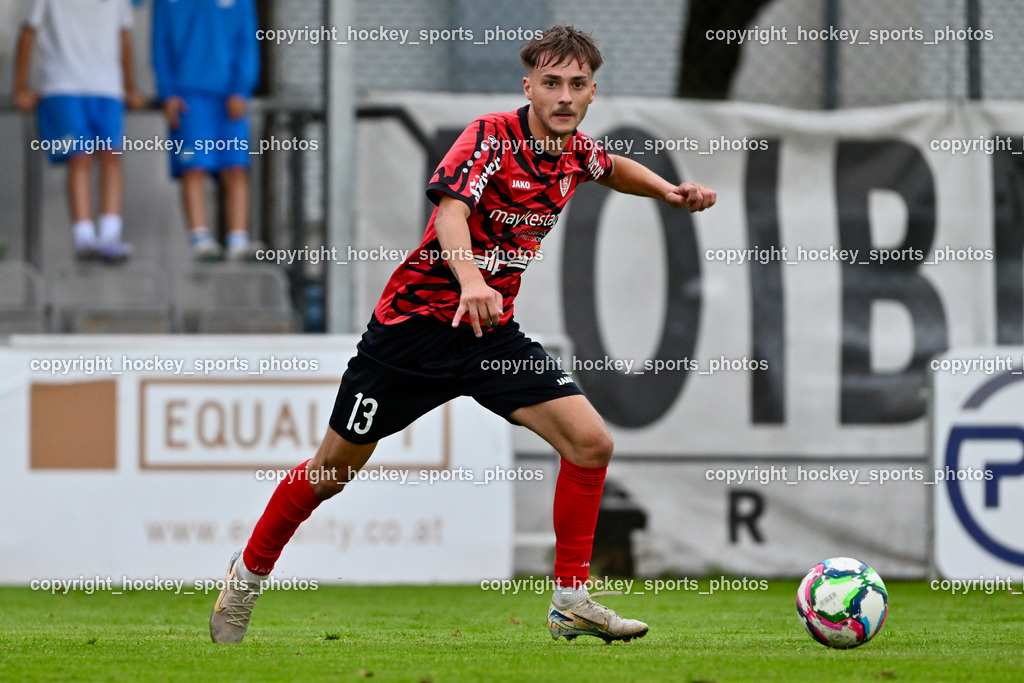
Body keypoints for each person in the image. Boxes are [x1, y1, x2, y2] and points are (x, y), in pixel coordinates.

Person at [209, 25, 716, 644]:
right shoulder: (490, 137)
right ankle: (247, 576)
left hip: (488, 337)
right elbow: (451, 211)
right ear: (528, 87)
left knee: (590, 444)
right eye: (551, 83)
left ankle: (570, 600)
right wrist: (472, 279)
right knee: (331, 472)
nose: (563, 96)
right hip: (411, 333)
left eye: (577, 85)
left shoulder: (575, 152)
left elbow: (611, 168)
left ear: (591, 93)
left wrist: (667, 191)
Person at [13, 0, 143, 262]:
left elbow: (124, 37)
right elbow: (28, 33)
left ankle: (110, 235)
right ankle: (84, 237)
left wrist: (129, 87)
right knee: (79, 157)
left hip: (108, 87)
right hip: (62, 85)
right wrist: (20, 87)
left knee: (111, 156)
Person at [151, 0, 261, 261]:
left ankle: (238, 240)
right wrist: (168, 91)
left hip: (228, 97)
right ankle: (200, 239)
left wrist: (241, 88)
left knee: (235, 167)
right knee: (193, 168)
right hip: (188, 96)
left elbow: (247, 40)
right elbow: (160, 44)